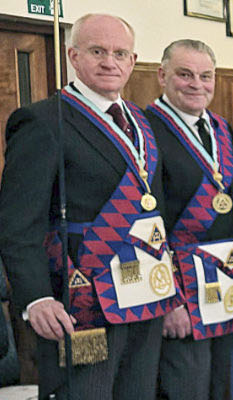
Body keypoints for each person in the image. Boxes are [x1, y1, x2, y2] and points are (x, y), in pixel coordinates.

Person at [0, 13, 174, 399]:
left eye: (120, 53)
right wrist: (36, 297)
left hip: (147, 290)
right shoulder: (43, 121)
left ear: (133, 61)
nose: (110, 62)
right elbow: (17, 223)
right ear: (73, 56)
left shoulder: (142, 122)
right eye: (97, 51)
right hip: (83, 297)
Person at [144, 39, 233, 400]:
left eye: (205, 76)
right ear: (162, 76)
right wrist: (169, 300)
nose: (197, 84)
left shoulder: (221, 127)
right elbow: (147, 220)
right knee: (185, 386)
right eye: (185, 74)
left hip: (224, 280)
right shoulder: (145, 129)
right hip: (180, 288)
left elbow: (228, 202)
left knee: (218, 385)